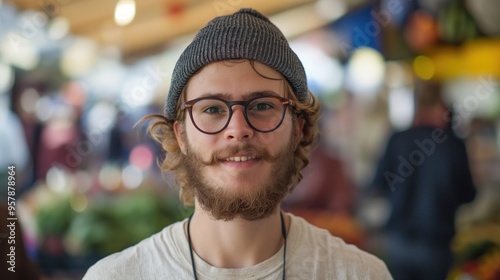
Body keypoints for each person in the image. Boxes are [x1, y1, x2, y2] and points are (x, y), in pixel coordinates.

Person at [84, 8, 392, 279]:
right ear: (180, 134)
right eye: (212, 109)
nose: (238, 130)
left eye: (261, 105)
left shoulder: (361, 275)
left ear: (298, 128)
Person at [369, 80, 477, 280]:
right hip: (437, 243)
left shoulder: (397, 140)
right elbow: (468, 194)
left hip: (399, 241)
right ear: (442, 107)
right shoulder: (453, 145)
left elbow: (377, 186)